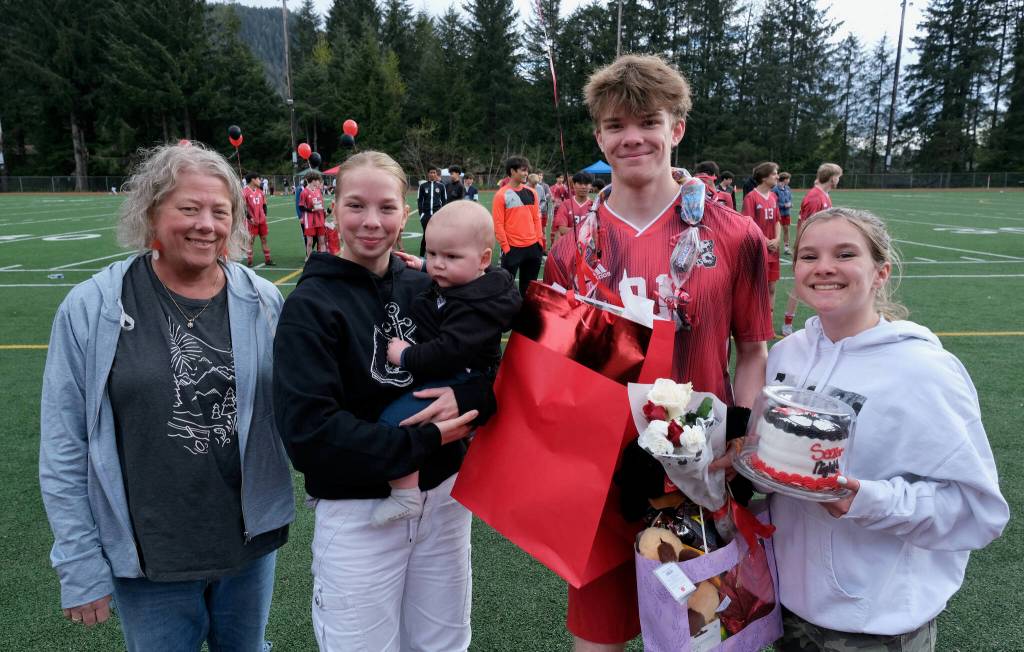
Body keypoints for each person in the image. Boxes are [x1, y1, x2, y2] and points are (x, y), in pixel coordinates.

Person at [544, 54, 773, 652]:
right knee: (596, 639)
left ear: (676, 129)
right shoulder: (571, 247)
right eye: (616, 126)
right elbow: (560, 370)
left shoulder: (735, 234)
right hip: (603, 477)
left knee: (696, 640)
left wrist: (740, 436)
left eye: (648, 121)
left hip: (697, 474)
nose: (632, 137)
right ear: (599, 136)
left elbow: (752, 350)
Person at [39, 142, 295, 650]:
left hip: (248, 547)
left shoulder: (263, 301)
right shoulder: (92, 308)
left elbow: (309, 400)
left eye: (220, 212)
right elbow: (64, 444)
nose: (206, 224)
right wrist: (79, 561)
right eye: (189, 208)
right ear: (152, 213)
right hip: (149, 554)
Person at [272, 151, 494, 652]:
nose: (372, 222)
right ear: (332, 209)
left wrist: (467, 394)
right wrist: (424, 439)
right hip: (360, 511)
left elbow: (487, 371)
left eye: (387, 207)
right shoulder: (310, 306)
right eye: (356, 205)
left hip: (444, 503)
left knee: (444, 644)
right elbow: (309, 435)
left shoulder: (428, 285)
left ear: (407, 212)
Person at [767, 207, 1008, 651]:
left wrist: (864, 499)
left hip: (875, 624)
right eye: (808, 256)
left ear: (880, 272)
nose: (824, 268)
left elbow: (978, 512)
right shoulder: (787, 356)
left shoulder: (923, 371)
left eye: (845, 254)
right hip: (788, 611)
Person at [374, 201, 522, 526]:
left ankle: (405, 494)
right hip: (466, 373)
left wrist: (405, 355)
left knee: (393, 422)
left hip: (461, 374)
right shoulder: (474, 283)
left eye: (450, 257)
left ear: (483, 259)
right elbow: (451, 270)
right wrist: (423, 266)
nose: (438, 265)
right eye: (432, 254)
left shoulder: (474, 306)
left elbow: (447, 351)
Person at [781, 162, 842, 336]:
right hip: (813, 250)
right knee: (801, 287)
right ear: (832, 178)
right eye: (838, 176)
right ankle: (787, 323)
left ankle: (824, 323)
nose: (839, 180)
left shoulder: (824, 195)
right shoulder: (816, 197)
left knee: (822, 286)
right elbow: (806, 226)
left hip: (821, 249)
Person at [492, 155, 545, 296]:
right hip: (512, 249)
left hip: (533, 248)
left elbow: (536, 219)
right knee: (506, 288)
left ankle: (526, 316)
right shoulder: (501, 195)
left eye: (527, 170)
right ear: (512, 171)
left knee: (529, 290)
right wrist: (506, 247)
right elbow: (498, 224)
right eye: (523, 170)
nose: (526, 174)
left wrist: (539, 242)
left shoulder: (532, 193)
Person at [743, 161, 782, 317]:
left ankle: (768, 319)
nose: (777, 176)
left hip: (774, 249)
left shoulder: (773, 196)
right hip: (759, 249)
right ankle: (754, 319)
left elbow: (777, 220)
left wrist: (778, 238)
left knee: (772, 287)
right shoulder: (751, 197)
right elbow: (749, 224)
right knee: (757, 288)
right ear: (764, 177)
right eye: (774, 174)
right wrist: (765, 240)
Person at [550, 170, 593, 244]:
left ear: (591, 186)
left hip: (588, 249)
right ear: (573, 184)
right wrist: (586, 232)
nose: (583, 187)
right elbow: (562, 229)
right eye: (580, 183)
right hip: (569, 247)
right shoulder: (565, 205)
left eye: (586, 184)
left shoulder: (595, 206)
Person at [243, 172, 275, 267]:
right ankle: (249, 261)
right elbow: (243, 208)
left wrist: (264, 215)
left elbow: (264, 205)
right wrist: (250, 217)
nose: (260, 181)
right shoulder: (244, 192)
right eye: (258, 179)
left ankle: (268, 259)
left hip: (262, 221)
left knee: (264, 239)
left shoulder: (260, 191)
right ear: (253, 180)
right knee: (251, 241)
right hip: (252, 221)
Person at [417, 166, 447, 255]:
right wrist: (421, 215)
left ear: (436, 174)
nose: (433, 174)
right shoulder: (423, 186)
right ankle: (421, 256)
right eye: (431, 172)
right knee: (426, 236)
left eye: (434, 172)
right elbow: (420, 201)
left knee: (437, 236)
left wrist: (443, 215)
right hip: (426, 215)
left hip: (437, 216)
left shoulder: (441, 186)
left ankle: (436, 254)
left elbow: (444, 201)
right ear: (428, 174)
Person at [300, 171, 328, 259]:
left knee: (322, 241)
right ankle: (309, 259)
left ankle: (323, 260)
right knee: (309, 242)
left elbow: (321, 205)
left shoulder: (318, 191)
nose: (318, 182)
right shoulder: (304, 192)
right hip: (309, 219)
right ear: (313, 181)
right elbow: (301, 207)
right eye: (317, 180)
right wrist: (312, 209)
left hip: (320, 219)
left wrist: (325, 214)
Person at [772, 171, 794, 255]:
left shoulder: (788, 188)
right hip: (778, 213)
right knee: (776, 230)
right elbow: (773, 201)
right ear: (784, 179)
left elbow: (790, 199)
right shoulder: (775, 189)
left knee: (786, 229)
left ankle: (786, 248)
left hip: (786, 213)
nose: (789, 180)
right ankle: (774, 246)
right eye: (788, 179)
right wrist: (783, 205)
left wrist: (790, 204)